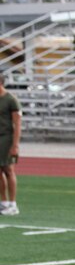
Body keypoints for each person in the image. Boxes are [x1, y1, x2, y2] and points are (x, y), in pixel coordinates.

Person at [0, 73, 22, 216]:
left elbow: (17, 123)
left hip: (6, 138)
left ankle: (13, 204)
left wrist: (15, 145)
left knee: (8, 170)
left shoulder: (11, 100)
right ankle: (3, 202)